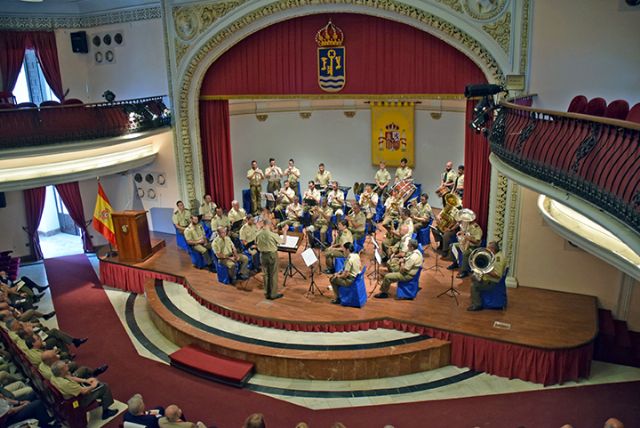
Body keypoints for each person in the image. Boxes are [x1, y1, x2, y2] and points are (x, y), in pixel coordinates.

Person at [50, 360, 117, 420]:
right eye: (65, 366)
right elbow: (84, 391)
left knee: (87, 377)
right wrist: (93, 386)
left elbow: (70, 378)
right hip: (78, 401)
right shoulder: (66, 384)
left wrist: (86, 380)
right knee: (104, 386)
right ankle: (106, 412)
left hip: (72, 396)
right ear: (61, 371)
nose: (67, 365)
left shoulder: (55, 376)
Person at [467, 241, 507, 311]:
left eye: (488, 248)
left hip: (493, 282)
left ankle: (477, 305)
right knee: (473, 277)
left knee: (474, 286)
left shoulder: (498, 259)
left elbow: (497, 275)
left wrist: (485, 270)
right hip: (489, 279)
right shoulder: (495, 255)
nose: (487, 250)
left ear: (492, 249)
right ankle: (475, 297)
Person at [255, 219, 286, 300]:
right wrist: (285, 231)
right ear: (269, 224)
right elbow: (283, 242)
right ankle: (273, 294)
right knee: (273, 274)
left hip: (262, 255)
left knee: (265, 274)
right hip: (272, 255)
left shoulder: (258, 233)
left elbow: (256, 243)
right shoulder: (272, 234)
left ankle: (266, 292)